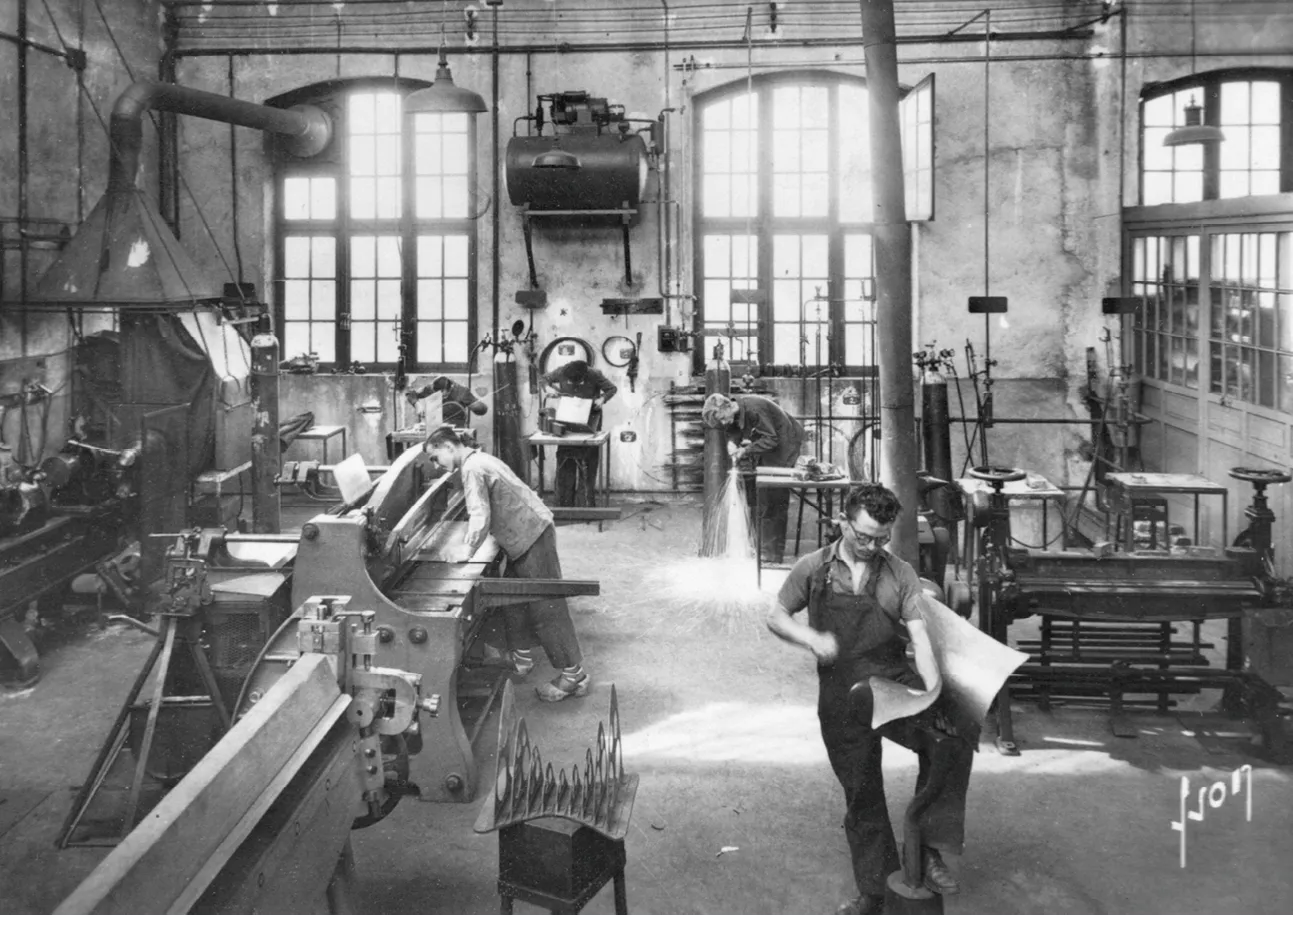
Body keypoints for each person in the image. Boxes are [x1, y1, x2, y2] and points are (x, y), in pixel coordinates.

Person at [768, 483, 976, 918]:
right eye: (862, 535)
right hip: (841, 694)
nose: (870, 546)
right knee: (862, 794)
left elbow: (919, 638)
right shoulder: (814, 568)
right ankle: (873, 892)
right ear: (844, 521)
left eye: (880, 538)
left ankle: (927, 846)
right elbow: (777, 615)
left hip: (891, 682)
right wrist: (810, 636)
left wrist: (933, 693)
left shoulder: (898, 572)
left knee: (955, 736)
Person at [423, 424, 590, 702]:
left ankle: (575, 676)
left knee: (546, 605)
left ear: (449, 447)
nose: (436, 465)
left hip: (532, 535)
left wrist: (467, 549)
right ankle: (522, 658)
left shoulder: (471, 468)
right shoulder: (480, 458)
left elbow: (480, 513)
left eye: (435, 457)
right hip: (523, 534)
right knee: (512, 598)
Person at [701, 392, 805, 563]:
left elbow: (771, 439)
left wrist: (745, 450)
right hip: (771, 446)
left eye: (722, 419)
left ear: (727, 406)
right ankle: (761, 547)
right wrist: (732, 442)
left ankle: (772, 555)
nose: (724, 423)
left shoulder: (754, 409)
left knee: (774, 499)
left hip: (785, 445)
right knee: (762, 497)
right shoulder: (734, 412)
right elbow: (733, 429)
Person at [541, 359, 617, 508]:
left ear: (585, 375)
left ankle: (585, 505)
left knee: (587, 462)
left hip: (590, 419)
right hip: (567, 417)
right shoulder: (561, 371)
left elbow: (612, 389)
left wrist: (602, 399)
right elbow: (543, 379)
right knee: (566, 460)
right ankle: (564, 504)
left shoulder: (594, 374)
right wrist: (547, 388)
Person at [405, 375, 489, 428]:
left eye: (443, 394)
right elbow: (410, 394)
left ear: (450, 389)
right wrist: (417, 404)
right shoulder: (431, 388)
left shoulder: (462, 392)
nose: (441, 397)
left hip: (456, 427)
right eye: (437, 394)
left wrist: (478, 407)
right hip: (436, 427)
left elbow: (482, 410)